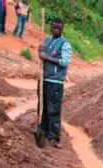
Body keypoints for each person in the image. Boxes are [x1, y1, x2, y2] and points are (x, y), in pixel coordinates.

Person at [37, 18, 72, 149]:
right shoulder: (46, 40)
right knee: (43, 107)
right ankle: (43, 131)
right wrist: (40, 52)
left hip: (55, 81)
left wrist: (47, 58)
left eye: (59, 28)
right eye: (54, 27)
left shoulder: (65, 44)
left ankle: (54, 137)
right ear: (50, 28)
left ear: (62, 29)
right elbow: (42, 56)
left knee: (53, 110)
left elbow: (65, 62)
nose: (56, 30)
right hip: (44, 79)